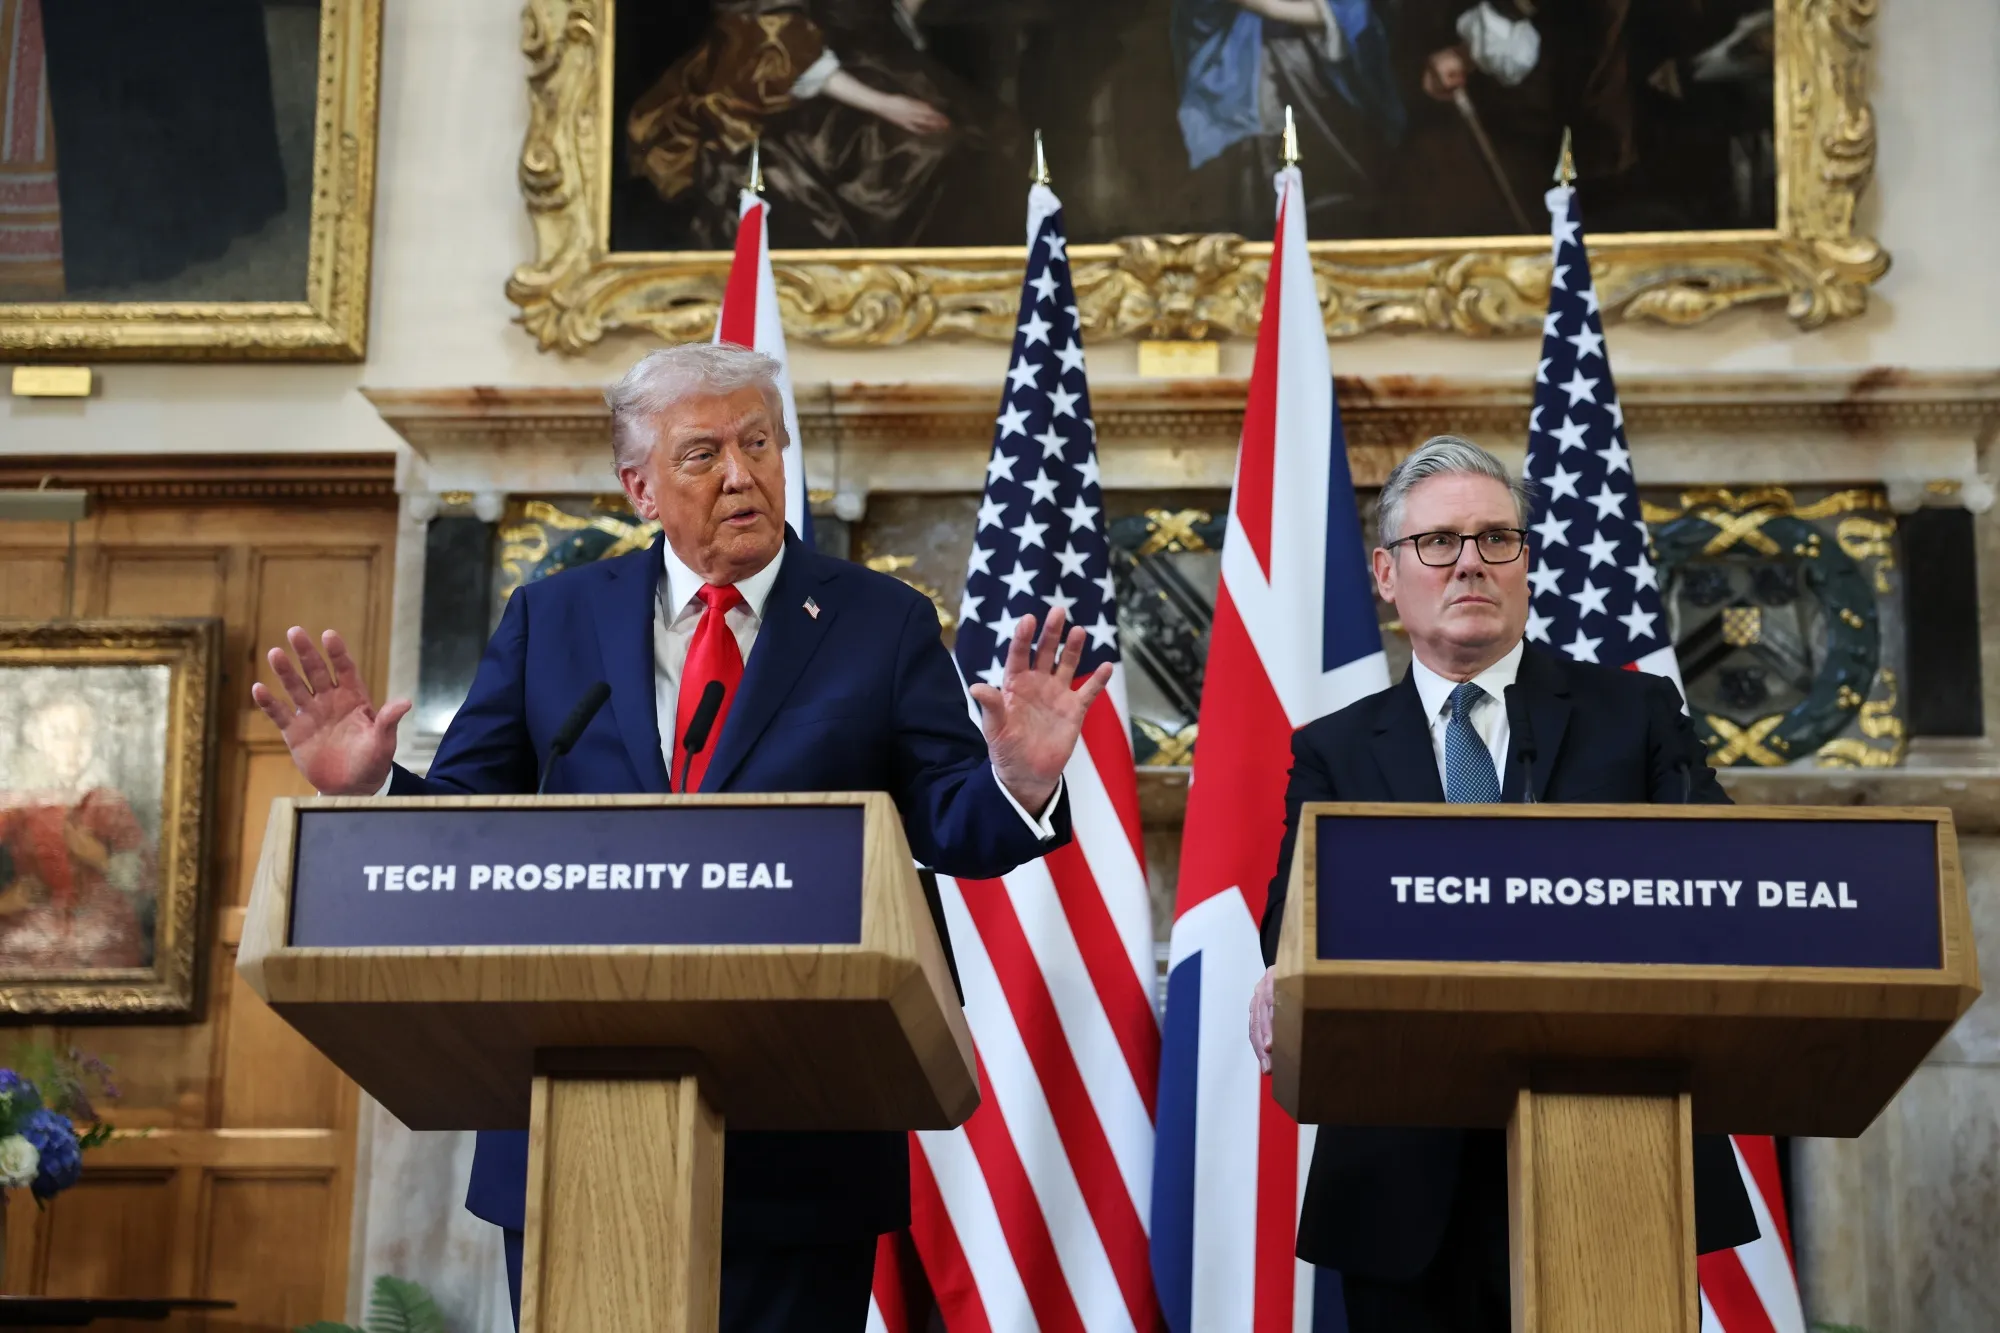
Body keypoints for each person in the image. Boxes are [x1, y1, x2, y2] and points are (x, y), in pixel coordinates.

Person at [251, 341, 1110, 1333]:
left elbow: (951, 822)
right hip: (569, 1131)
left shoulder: (880, 621)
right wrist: (371, 789)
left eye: (759, 444)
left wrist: (1018, 782)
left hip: (803, 1125)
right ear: (640, 488)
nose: (741, 474)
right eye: (703, 454)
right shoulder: (551, 617)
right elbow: (466, 838)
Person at [1245, 436, 1758, 1332]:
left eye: (1496, 539)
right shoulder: (1335, 748)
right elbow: (1294, 917)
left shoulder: (1634, 714)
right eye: (1439, 542)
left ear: (1526, 563)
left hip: (1612, 1155)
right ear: (1386, 574)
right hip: (1403, 1174)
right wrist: (1282, 967)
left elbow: (1720, 883)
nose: (1470, 562)